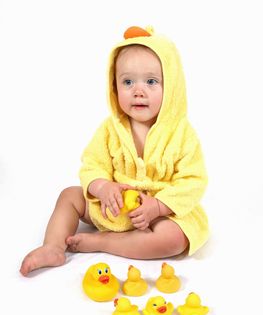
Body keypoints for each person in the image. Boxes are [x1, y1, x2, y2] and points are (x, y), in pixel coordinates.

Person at [20, 26, 209, 277]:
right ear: (114, 86)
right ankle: (53, 247)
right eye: (128, 81)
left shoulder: (182, 134)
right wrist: (102, 187)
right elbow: (92, 165)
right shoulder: (111, 129)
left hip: (155, 215)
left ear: (172, 87)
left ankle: (103, 242)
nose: (138, 91)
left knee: (174, 239)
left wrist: (159, 206)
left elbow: (193, 181)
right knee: (69, 196)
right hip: (114, 208)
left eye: (151, 81)